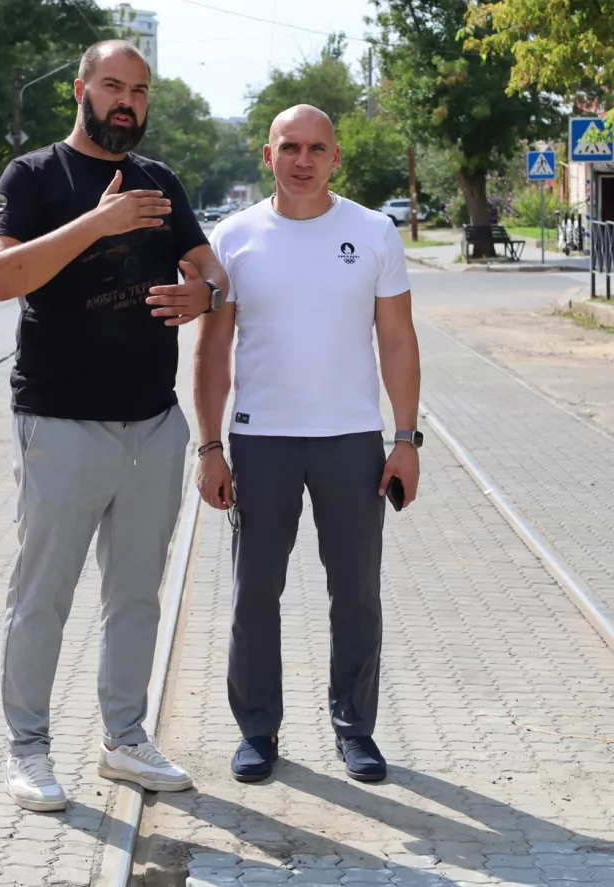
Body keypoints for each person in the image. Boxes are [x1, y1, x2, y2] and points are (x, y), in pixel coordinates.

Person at [0, 39, 230, 812]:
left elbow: (213, 273)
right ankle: (28, 750)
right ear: (80, 91)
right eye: (113, 86)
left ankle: (125, 738)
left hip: (152, 424)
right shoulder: (33, 177)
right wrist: (99, 222)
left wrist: (207, 299)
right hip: (59, 421)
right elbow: (0, 277)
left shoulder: (161, 181)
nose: (127, 101)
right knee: (42, 595)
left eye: (140, 91)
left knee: (136, 594)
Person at [192, 104, 422, 784]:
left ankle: (355, 728)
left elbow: (399, 339)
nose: (302, 159)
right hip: (261, 441)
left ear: (335, 157)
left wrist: (405, 437)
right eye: (289, 146)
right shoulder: (233, 238)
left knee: (355, 592)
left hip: (352, 440)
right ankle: (258, 729)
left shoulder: (374, 231)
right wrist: (210, 446)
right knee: (253, 591)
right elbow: (211, 351)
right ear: (268, 155)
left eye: (316, 148)